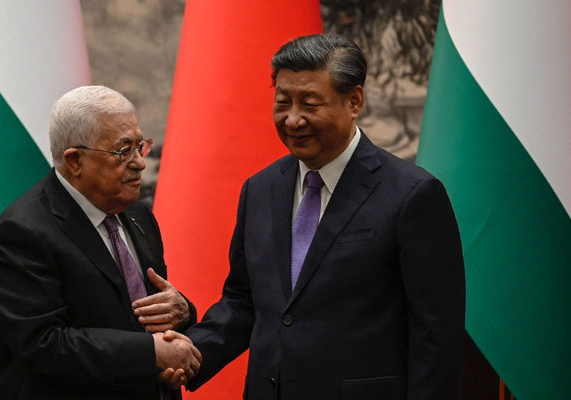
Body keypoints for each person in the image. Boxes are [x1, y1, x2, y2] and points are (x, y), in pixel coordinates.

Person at [182, 34, 465, 399]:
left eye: (310, 104)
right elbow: (244, 300)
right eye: (283, 103)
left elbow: (436, 335)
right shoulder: (260, 189)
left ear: (354, 101)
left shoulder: (412, 195)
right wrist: (189, 353)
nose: (293, 119)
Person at [0, 85, 201, 400]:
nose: (139, 162)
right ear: (75, 161)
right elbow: (43, 344)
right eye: (124, 150)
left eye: (140, 145)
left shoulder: (138, 214)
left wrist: (183, 312)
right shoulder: (23, 232)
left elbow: (144, 314)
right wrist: (149, 353)